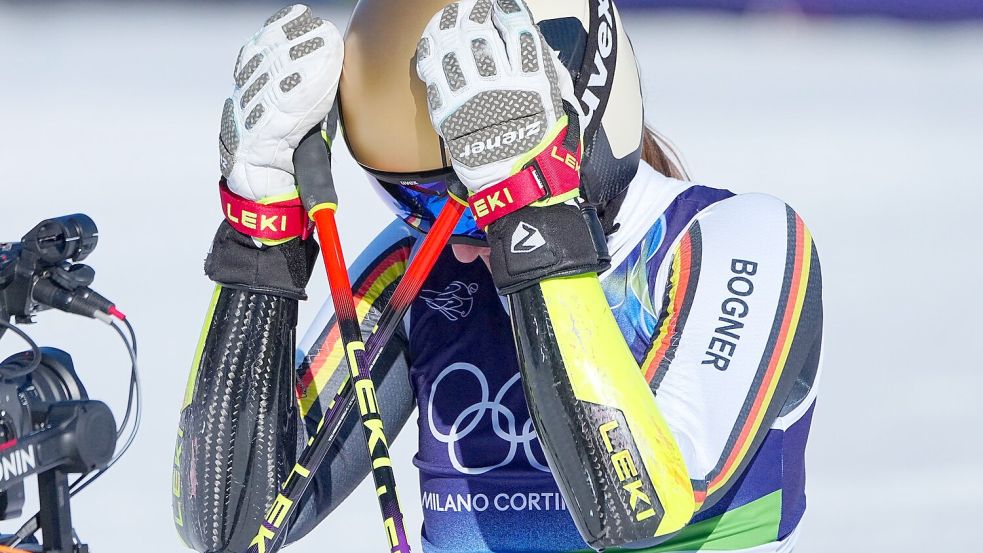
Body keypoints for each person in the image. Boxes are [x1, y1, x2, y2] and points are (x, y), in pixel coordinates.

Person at [172, 1, 823, 552]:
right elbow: (231, 526)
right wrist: (262, 243)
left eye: (474, 206)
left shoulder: (740, 238)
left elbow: (642, 507)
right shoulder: (417, 266)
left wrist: (532, 223)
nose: (454, 249)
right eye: (415, 206)